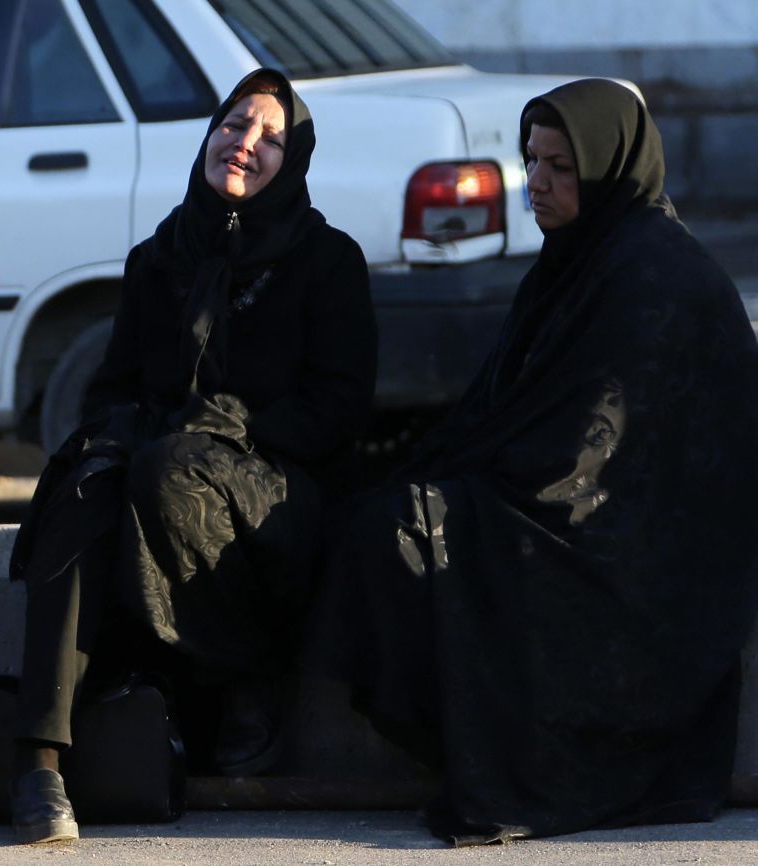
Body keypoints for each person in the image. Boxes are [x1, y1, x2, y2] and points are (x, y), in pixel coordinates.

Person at [313, 78, 758, 844]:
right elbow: (506, 409)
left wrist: (455, 488)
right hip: (576, 514)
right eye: (531, 162)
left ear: (608, 167)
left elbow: (588, 452)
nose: (537, 184)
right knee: (374, 513)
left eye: (560, 166)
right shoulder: (578, 262)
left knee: (407, 532)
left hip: (640, 560)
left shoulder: (655, 276)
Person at [8, 68, 377, 844]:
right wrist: (115, 433)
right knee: (91, 483)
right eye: (233, 125)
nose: (244, 145)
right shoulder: (160, 257)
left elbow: (338, 409)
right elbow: (114, 385)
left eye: (271, 138)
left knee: (169, 468)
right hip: (164, 468)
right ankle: (40, 757)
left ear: (296, 161)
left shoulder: (327, 260)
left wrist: (227, 427)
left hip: (284, 488)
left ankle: (246, 679)